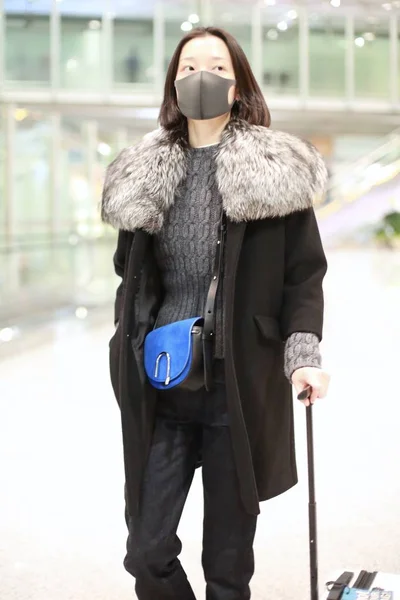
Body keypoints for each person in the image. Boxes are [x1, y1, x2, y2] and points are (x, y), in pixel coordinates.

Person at [101, 26, 330, 600]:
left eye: (216, 66)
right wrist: (124, 341)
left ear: (237, 83)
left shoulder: (275, 170)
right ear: (174, 84)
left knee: (228, 566)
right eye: (188, 67)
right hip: (163, 383)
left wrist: (302, 357)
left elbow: (302, 275)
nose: (201, 76)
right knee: (146, 553)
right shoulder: (142, 175)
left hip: (238, 385)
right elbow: (129, 273)